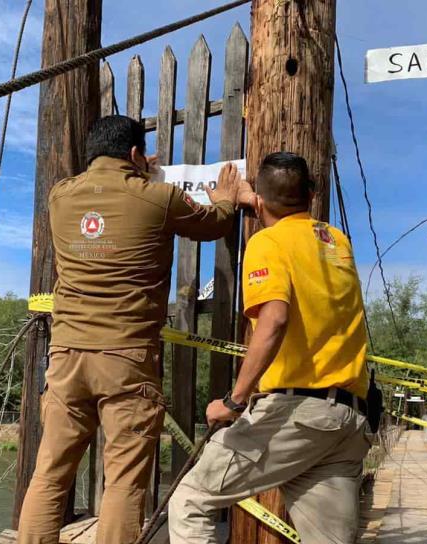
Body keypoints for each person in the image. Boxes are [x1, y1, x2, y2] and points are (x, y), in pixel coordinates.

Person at [17, 115, 253, 544]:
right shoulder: (160, 197)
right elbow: (215, 222)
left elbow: (103, 188)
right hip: (126, 360)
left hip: (67, 357)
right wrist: (224, 198)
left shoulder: (60, 197)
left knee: (49, 475)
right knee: (124, 481)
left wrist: (131, 168)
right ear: (134, 155)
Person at [168, 151, 374, 544]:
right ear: (312, 195)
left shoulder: (267, 244)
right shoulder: (337, 241)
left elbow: (274, 321)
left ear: (260, 200)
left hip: (296, 416)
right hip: (347, 420)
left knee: (192, 498)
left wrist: (233, 400)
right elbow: (300, 233)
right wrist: (254, 199)